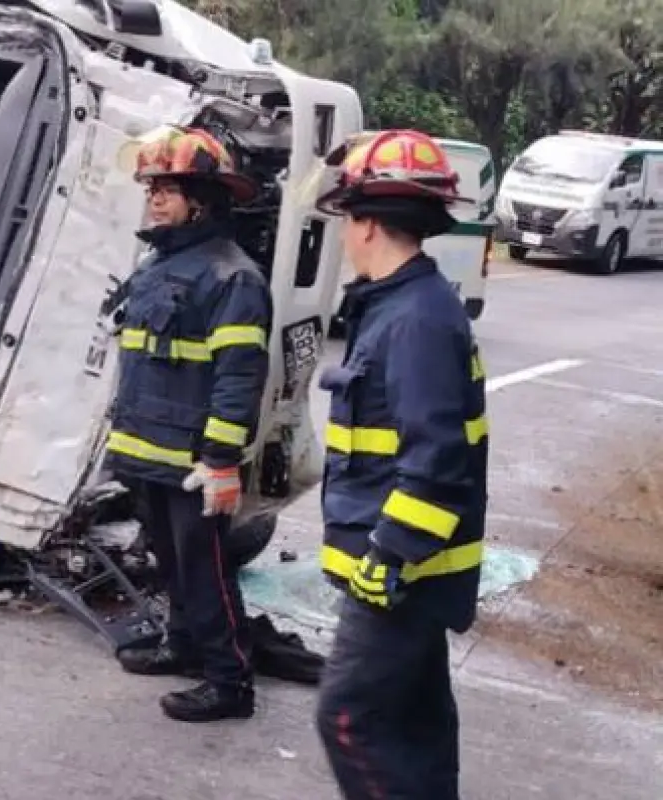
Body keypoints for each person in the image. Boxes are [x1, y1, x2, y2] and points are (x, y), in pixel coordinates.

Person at [311, 129, 489, 799]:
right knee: (415, 721)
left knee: (350, 717)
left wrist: (387, 555)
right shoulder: (402, 305)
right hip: (406, 568)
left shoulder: (413, 319)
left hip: (397, 573)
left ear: (367, 224)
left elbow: (436, 461)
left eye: (344, 218)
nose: (342, 235)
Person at [104, 126, 272, 723]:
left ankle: (230, 682)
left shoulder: (232, 277)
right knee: (171, 563)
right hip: (150, 453)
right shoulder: (159, 265)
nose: (154, 198)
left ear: (202, 198)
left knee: (207, 574)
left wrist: (221, 462)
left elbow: (237, 379)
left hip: (195, 463)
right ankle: (181, 644)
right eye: (152, 186)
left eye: (167, 188)